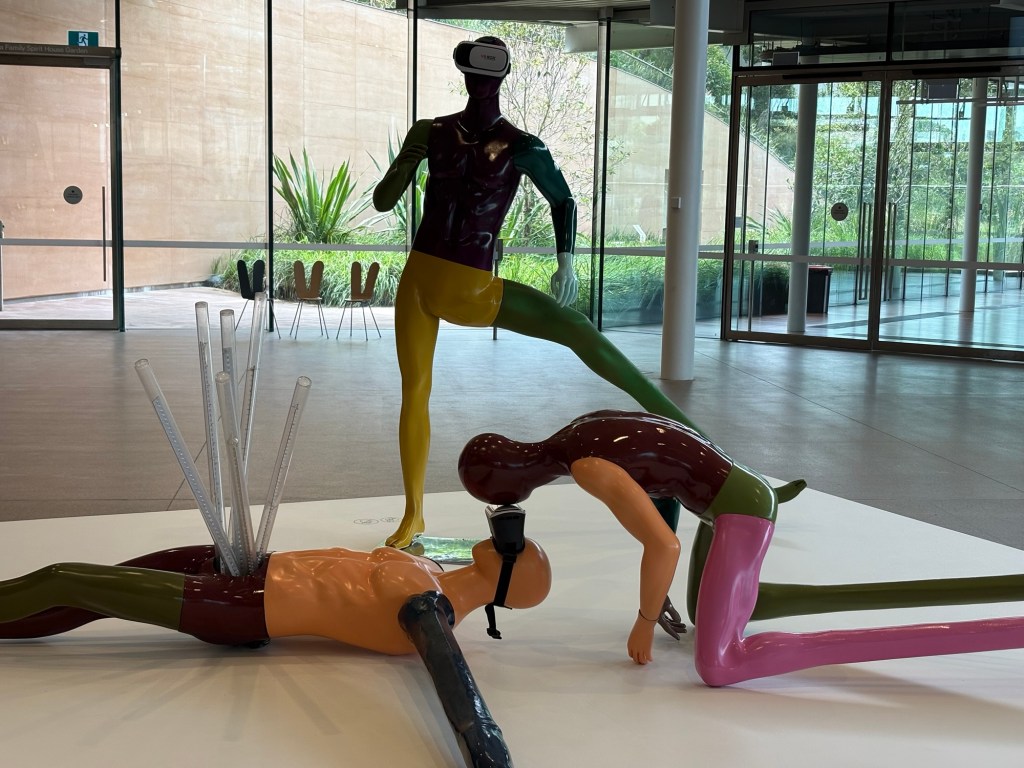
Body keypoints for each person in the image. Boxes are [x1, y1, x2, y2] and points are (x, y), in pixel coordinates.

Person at [373, 36, 702, 550]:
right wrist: (408, 158)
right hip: (421, 280)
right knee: (415, 391)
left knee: (576, 330)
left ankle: (694, 437)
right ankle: (413, 514)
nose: (480, 80)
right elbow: (383, 200)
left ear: (502, 75)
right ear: (465, 71)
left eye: (489, 69)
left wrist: (566, 259)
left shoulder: (522, 145)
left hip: (468, 286)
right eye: (474, 67)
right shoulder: (430, 132)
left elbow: (563, 201)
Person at [458, 409, 1024, 686]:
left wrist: (644, 620)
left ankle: (998, 631)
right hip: (724, 504)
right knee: (710, 615)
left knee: (718, 663)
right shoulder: (577, 433)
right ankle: (752, 605)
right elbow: (662, 476)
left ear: (510, 487)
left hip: (740, 510)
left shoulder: (585, 465)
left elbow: (663, 546)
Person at [0, 537, 551, 765]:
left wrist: (486, 748)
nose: (508, 534)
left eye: (516, 546)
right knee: (91, 593)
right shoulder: (428, 564)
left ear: (509, 579)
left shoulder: (429, 612)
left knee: (66, 578)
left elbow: (461, 694)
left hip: (242, 605)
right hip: (245, 561)